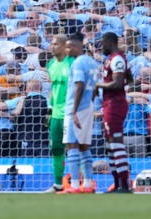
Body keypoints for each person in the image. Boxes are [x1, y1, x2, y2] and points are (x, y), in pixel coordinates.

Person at [60, 32, 100, 194]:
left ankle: (75, 186)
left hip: (75, 108)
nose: (67, 50)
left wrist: (74, 110)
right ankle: (88, 185)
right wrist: (89, 104)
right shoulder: (93, 63)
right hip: (88, 106)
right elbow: (96, 88)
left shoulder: (78, 63)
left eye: (69, 47)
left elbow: (79, 86)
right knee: (84, 146)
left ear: (77, 47)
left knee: (72, 145)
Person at [95, 32, 132, 193]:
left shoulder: (117, 58)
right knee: (110, 145)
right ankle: (117, 184)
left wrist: (98, 85)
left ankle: (123, 185)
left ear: (109, 42)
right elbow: (129, 78)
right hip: (111, 103)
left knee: (116, 143)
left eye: (102, 43)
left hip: (115, 104)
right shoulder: (116, 59)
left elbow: (117, 83)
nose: (100, 47)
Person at [44, 34, 72, 194]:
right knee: (56, 149)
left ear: (63, 46)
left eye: (55, 44)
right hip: (55, 114)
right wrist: (49, 109)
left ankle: (80, 184)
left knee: (74, 148)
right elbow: (54, 91)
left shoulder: (72, 63)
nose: (52, 46)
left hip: (70, 113)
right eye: (51, 44)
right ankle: (57, 185)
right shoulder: (50, 65)